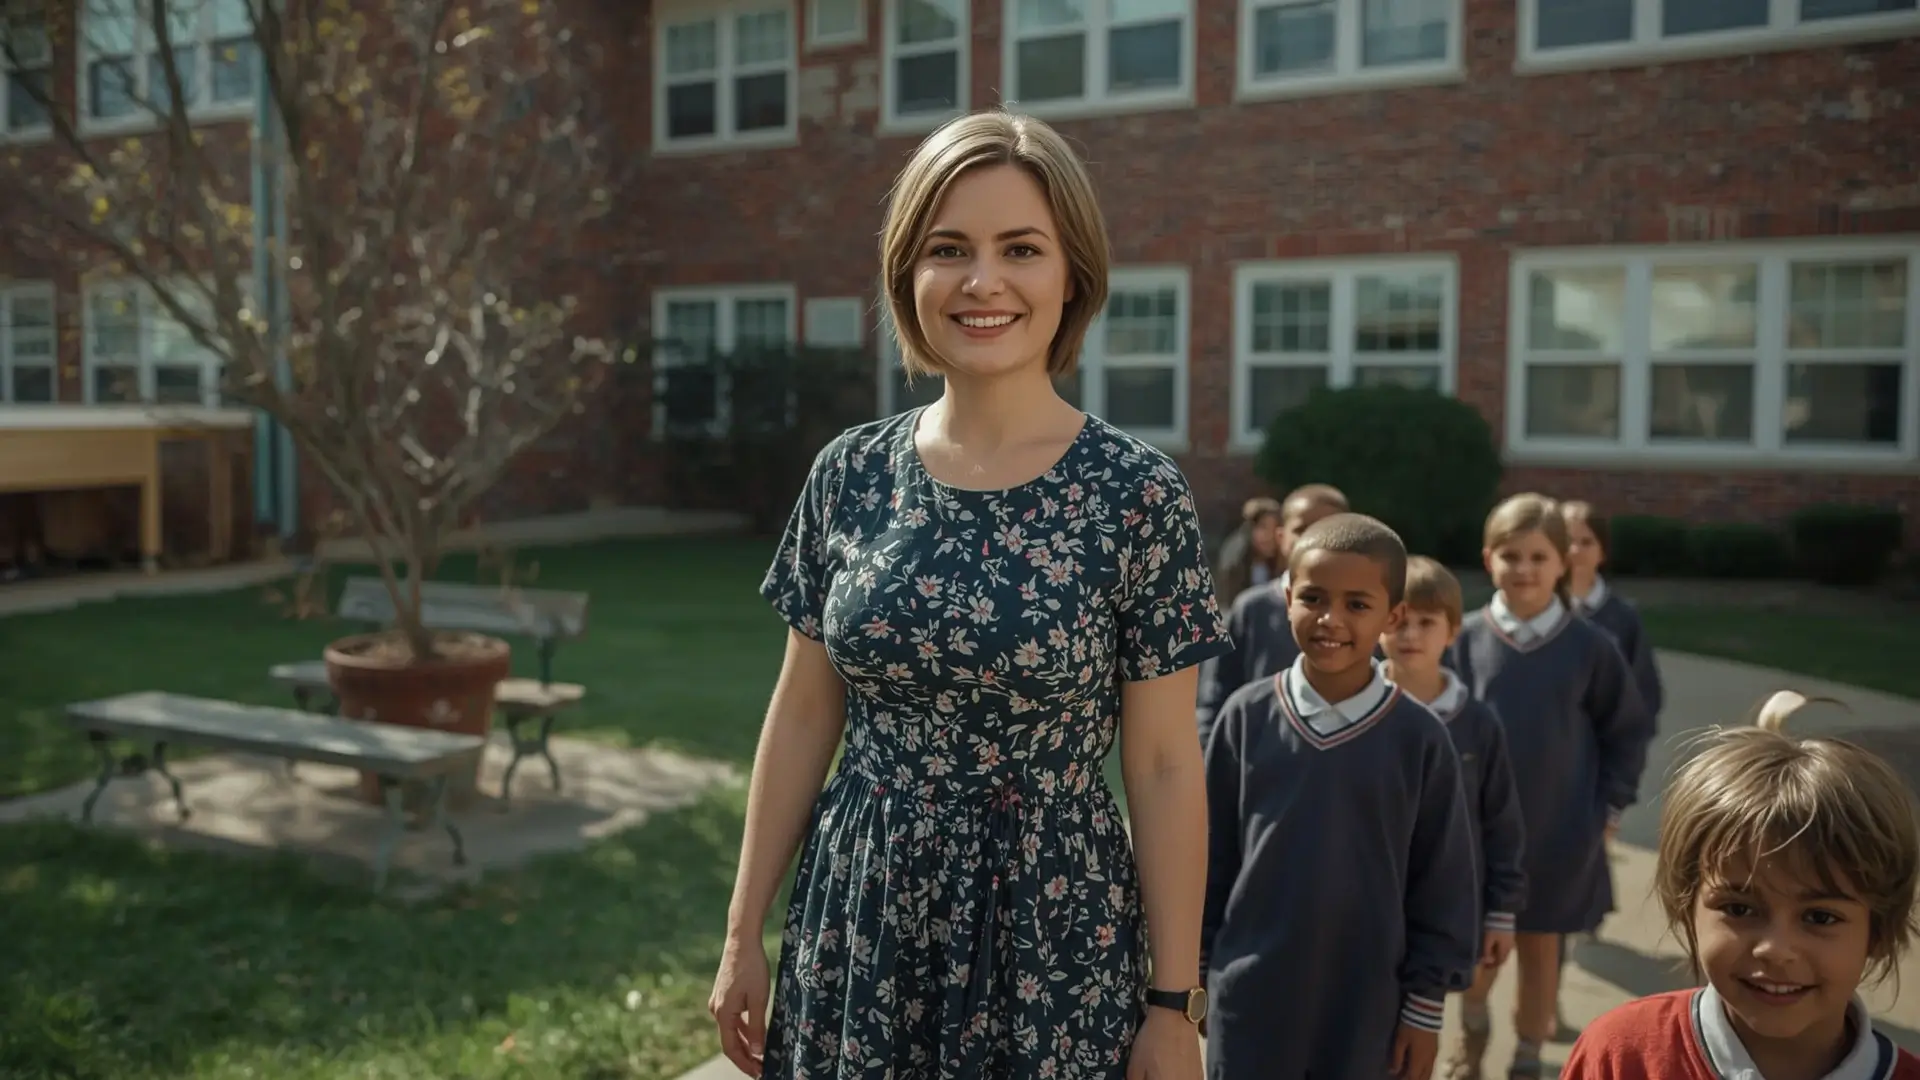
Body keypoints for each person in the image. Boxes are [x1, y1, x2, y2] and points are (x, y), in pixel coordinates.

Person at [707, 108, 1233, 1080]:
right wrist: (743, 936)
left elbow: (1163, 765)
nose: (982, 281)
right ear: (908, 272)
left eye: (1020, 249)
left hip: (1051, 929)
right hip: (860, 919)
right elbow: (804, 713)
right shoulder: (849, 473)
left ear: (1072, 274)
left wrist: (1175, 1003)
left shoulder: (1137, 495)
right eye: (949, 249)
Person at [1202, 513, 1480, 1080]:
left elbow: (1443, 884)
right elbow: (1208, 858)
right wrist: (1197, 970)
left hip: (1368, 1009)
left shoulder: (1420, 737)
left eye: (1357, 604)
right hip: (1249, 999)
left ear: (1392, 616)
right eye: (1313, 598)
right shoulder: (1245, 717)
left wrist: (1424, 1011)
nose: (1331, 619)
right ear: (1287, 598)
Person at [1561, 690, 1920, 1080]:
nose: (1776, 950)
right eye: (1739, 909)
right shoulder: (1621, 1055)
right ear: (1686, 906)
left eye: (1820, 917)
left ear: (1879, 931)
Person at [1444, 493, 1655, 1080]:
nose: (1525, 569)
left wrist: (1610, 805)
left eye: (1539, 556)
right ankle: (1472, 1035)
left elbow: (1626, 731)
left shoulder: (1591, 647)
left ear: (1563, 562)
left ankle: (1529, 1055)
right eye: (1511, 555)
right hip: (1477, 835)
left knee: (1541, 951)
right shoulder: (1463, 639)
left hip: (1559, 829)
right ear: (1488, 559)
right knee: (1476, 950)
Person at [1379, 556, 1527, 1077]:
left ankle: (1471, 1050)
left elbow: (1502, 823)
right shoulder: (1359, 708)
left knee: (1450, 1005)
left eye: (1427, 622)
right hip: (1378, 903)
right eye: (1398, 620)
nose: (1410, 634)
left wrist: (1501, 911)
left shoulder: (1478, 723)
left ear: (1453, 631)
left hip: (1457, 905)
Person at [1193, 484, 1349, 750]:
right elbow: (1214, 697)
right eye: (1302, 529)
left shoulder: (1365, 610)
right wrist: (1214, 758)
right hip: (1258, 760)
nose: (1314, 539)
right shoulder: (1252, 608)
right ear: (1280, 537)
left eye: (1327, 528)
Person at [1212, 496, 1284, 609]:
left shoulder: (1281, 560)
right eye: (1263, 527)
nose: (1270, 535)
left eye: (1275, 527)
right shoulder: (1236, 559)